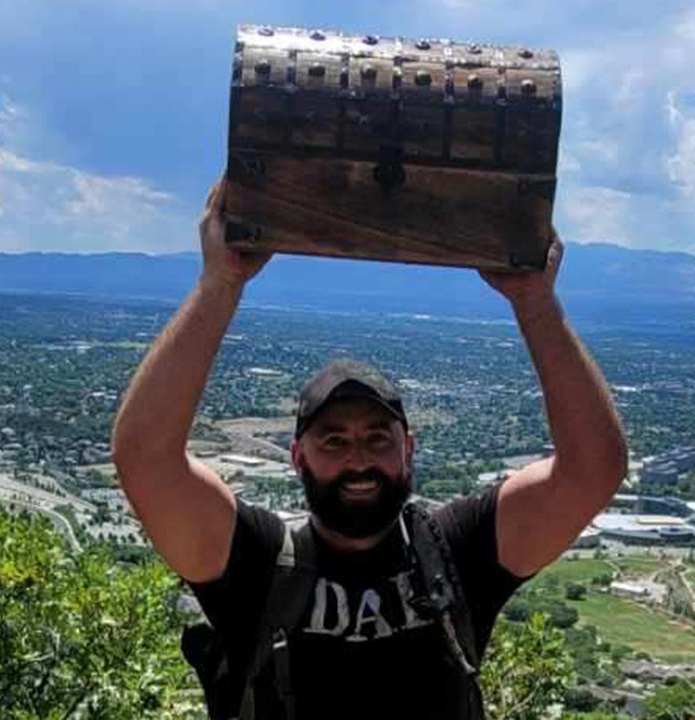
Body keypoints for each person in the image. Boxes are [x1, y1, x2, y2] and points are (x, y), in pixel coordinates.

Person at [112, 176, 627, 719]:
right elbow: (146, 458)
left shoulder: (457, 552)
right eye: (333, 440)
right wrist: (219, 284)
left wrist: (535, 302)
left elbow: (592, 469)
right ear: (297, 457)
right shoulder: (256, 563)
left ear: (409, 449)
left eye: (377, 438)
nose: (358, 458)